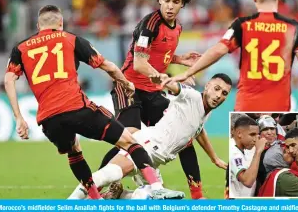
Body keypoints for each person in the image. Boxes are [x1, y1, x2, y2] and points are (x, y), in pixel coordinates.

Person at [4, 5, 184, 200]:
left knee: (74, 150)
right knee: (130, 141)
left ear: (38, 25)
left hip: (48, 119)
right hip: (77, 108)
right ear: (61, 23)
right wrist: (125, 82)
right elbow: (107, 66)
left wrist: (19, 117)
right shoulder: (70, 39)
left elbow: (8, 80)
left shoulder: (21, 48)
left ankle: (95, 200)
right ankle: (157, 188)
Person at [101, 0, 207, 199]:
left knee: (185, 136)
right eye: (166, 0)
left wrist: (178, 58)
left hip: (151, 90)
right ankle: (97, 188)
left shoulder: (177, 28)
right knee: (129, 139)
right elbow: (140, 63)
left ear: (182, 5)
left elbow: (157, 55)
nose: (169, 5)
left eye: (175, 2)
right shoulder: (149, 24)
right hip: (128, 86)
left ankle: (198, 196)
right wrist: (164, 77)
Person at [166, 0, 298, 111]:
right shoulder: (294, 28)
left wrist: (188, 73)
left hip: (245, 108)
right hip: (277, 109)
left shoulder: (242, 25)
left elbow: (218, 50)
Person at [68, 73, 231, 199]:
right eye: (216, 89)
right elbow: (174, 86)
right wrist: (162, 78)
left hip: (155, 161)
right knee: (109, 174)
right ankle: (69, 204)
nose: (218, 96)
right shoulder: (192, 96)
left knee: (157, 203)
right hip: (146, 146)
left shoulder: (203, 112)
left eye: (224, 93)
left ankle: (119, 195)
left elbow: (198, 130)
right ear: (208, 85)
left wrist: (214, 157)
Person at [230, 116, 267, 197]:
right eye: (252, 134)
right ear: (239, 133)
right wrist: (258, 151)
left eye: (257, 135)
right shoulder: (233, 152)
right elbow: (248, 181)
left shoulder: (242, 149)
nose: (255, 139)